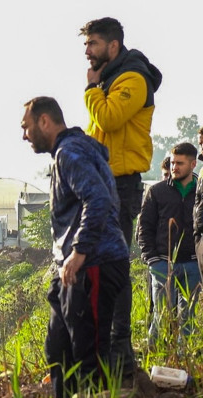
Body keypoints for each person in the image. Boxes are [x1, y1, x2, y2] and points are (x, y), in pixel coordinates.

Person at [21, 97, 131, 398]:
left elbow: (97, 199)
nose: (24, 135)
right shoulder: (69, 152)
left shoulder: (69, 153)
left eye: (26, 127)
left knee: (89, 354)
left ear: (45, 121)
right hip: (73, 267)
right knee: (58, 347)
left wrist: (80, 250)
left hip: (95, 261)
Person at [80, 17, 162, 375]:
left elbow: (110, 119)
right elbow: (98, 131)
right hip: (102, 185)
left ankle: (121, 348)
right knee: (100, 268)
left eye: (93, 44)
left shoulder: (133, 79)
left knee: (114, 268)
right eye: (86, 45)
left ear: (113, 46)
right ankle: (102, 346)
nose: (87, 52)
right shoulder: (110, 80)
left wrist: (90, 90)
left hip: (122, 185)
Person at [139, 142, 199, 345]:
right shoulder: (156, 192)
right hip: (163, 264)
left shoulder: (200, 191)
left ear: (193, 164)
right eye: (173, 162)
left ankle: (184, 366)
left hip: (193, 265)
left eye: (180, 163)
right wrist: (153, 260)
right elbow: (144, 228)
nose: (174, 167)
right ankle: (153, 360)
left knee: (188, 320)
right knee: (161, 316)